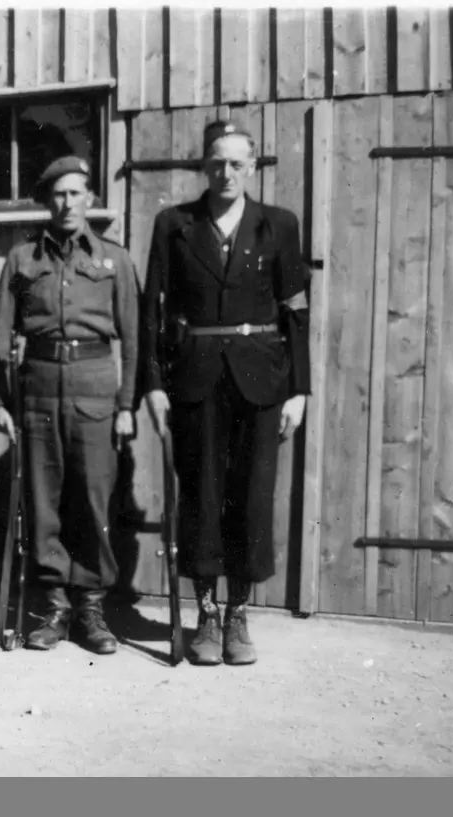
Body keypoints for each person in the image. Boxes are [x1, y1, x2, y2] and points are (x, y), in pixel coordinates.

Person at [139, 121, 311, 666]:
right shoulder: (175, 225)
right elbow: (152, 312)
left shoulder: (278, 226)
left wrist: (299, 390)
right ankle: (206, 616)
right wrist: (153, 385)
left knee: (252, 494)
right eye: (216, 162)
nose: (226, 172)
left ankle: (239, 615)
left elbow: (296, 314)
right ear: (203, 166)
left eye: (237, 163)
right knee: (202, 494)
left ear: (253, 167)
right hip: (195, 378)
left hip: (261, 380)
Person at [0, 156, 138, 655]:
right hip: (38, 385)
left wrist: (126, 403)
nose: (67, 203)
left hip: (96, 384)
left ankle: (91, 605)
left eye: (76, 194)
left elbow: (134, 339)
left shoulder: (115, 260)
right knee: (44, 498)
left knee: (94, 498)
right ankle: (54, 604)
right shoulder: (22, 259)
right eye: (58, 194)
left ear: (90, 200)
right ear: (46, 201)